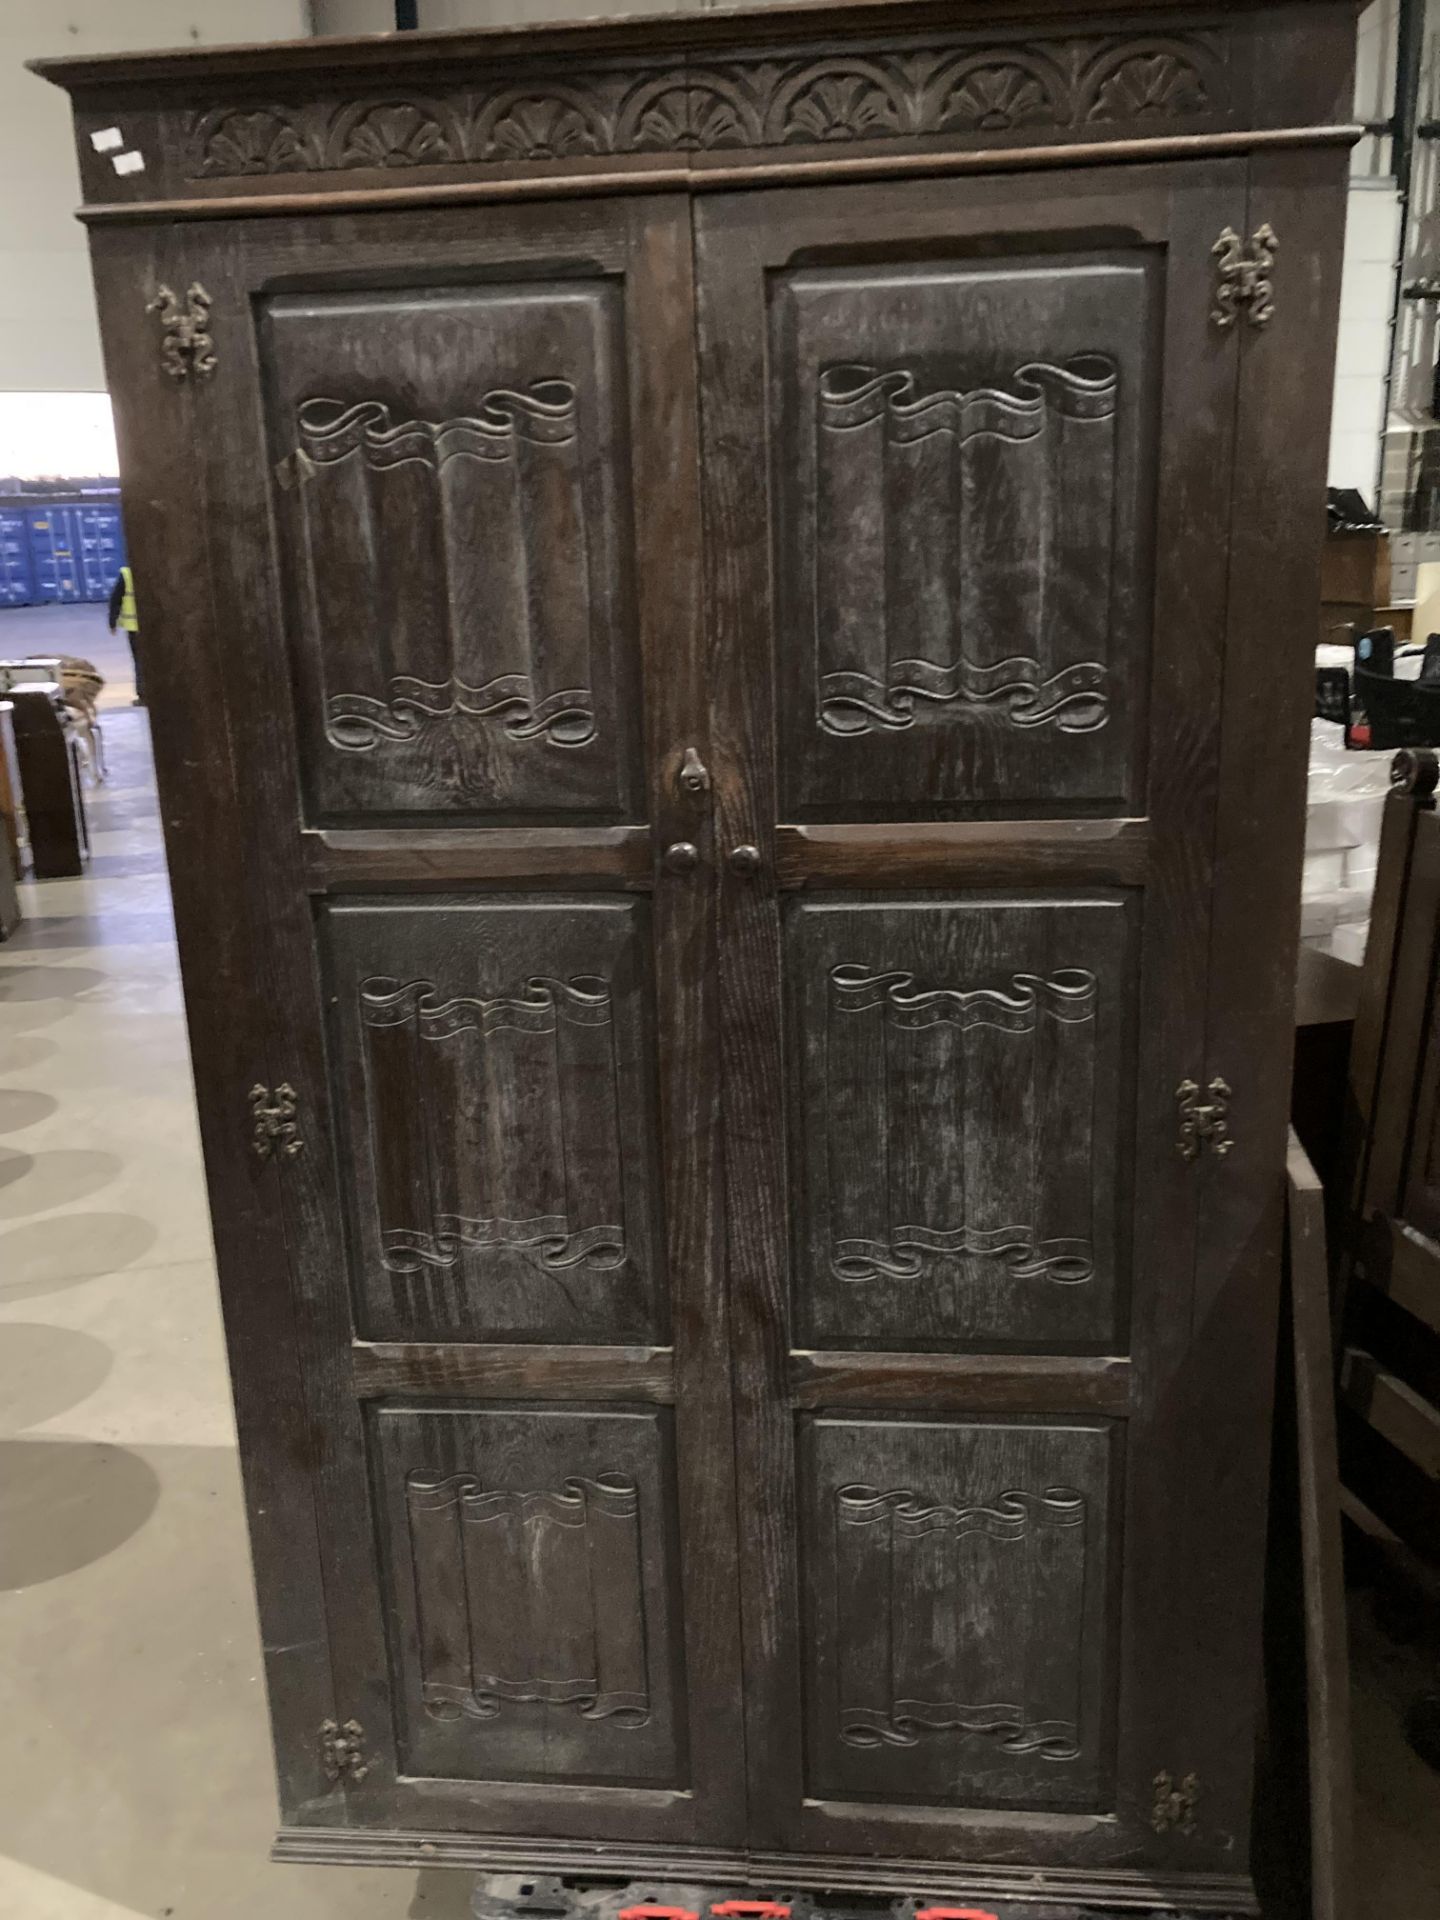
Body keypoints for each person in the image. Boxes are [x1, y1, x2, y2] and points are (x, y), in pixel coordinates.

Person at [107, 563, 144, 706]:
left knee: (140, 662)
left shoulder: (126, 574)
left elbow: (116, 599)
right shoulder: (158, 569)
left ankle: (144, 695)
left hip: (134, 627)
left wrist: (112, 621)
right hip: (154, 626)